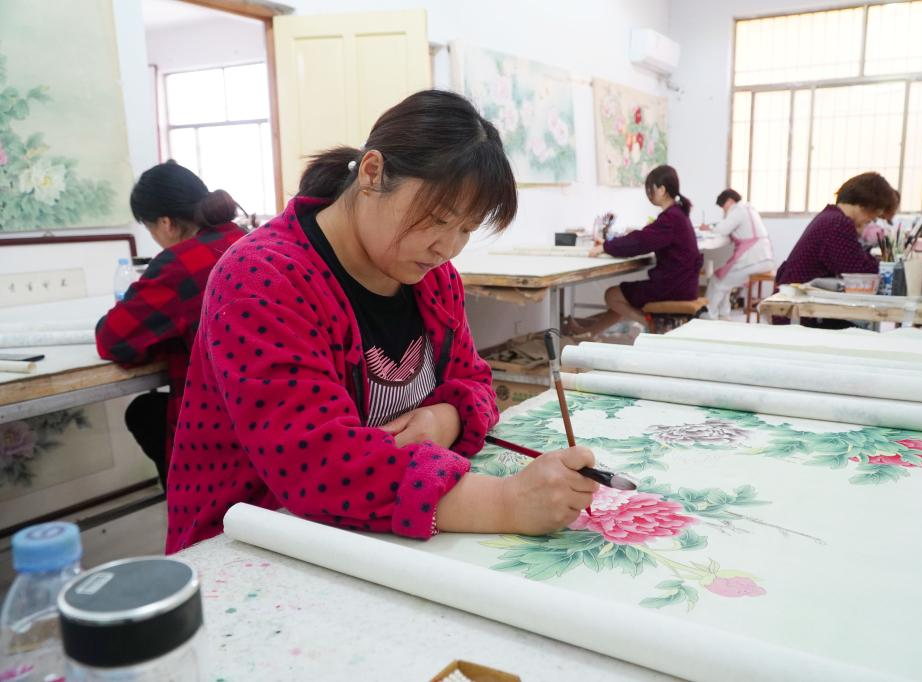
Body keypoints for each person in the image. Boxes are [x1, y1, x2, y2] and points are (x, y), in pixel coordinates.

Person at [165, 90, 599, 552]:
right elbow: (318, 465)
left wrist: (448, 417)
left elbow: (475, 381)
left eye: (466, 230)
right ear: (372, 173)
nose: (448, 248)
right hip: (251, 541)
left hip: (371, 537)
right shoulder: (262, 279)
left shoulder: (434, 279)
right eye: (438, 219)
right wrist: (504, 502)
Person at [95, 161, 246, 489]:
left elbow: (113, 339)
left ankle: (183, 496)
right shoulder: (247, 239)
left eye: (150, 229)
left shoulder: (181, 264)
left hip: (221, 428)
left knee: (143, 413)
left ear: (166, 223)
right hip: (266, 411)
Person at [582, 165, 703, 335]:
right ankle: (588, 333)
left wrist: (605, 247)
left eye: (650, 189)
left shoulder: (670, 218)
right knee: (623, 297)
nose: (648, 194)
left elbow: (640, 242)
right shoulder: (678, 214)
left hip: (673, 287)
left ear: (662, 190)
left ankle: (650, 324)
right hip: (684, 284)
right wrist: (612, 243)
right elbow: (645, 238)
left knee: (612, 295)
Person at [775, 171, 898, 328]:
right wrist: (889, 268)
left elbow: (853, 260)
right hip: (799, 314)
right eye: (874, 216)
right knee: (861, 331)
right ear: (867, 205)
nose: (871, 221)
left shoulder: (831, 217)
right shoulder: (838, 223)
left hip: (801, 306)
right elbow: (859, 270)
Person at [700, 189, 773, 321]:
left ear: (730, 201)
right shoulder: (748, 208)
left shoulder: (738, 210)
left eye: (723, 207)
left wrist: (709, 228)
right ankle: (723, 314)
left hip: (753, 260)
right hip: (763, 258)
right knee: (725, 278)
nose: (724, 211)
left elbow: (722, 229)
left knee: (718, 279)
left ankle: (709, 315)